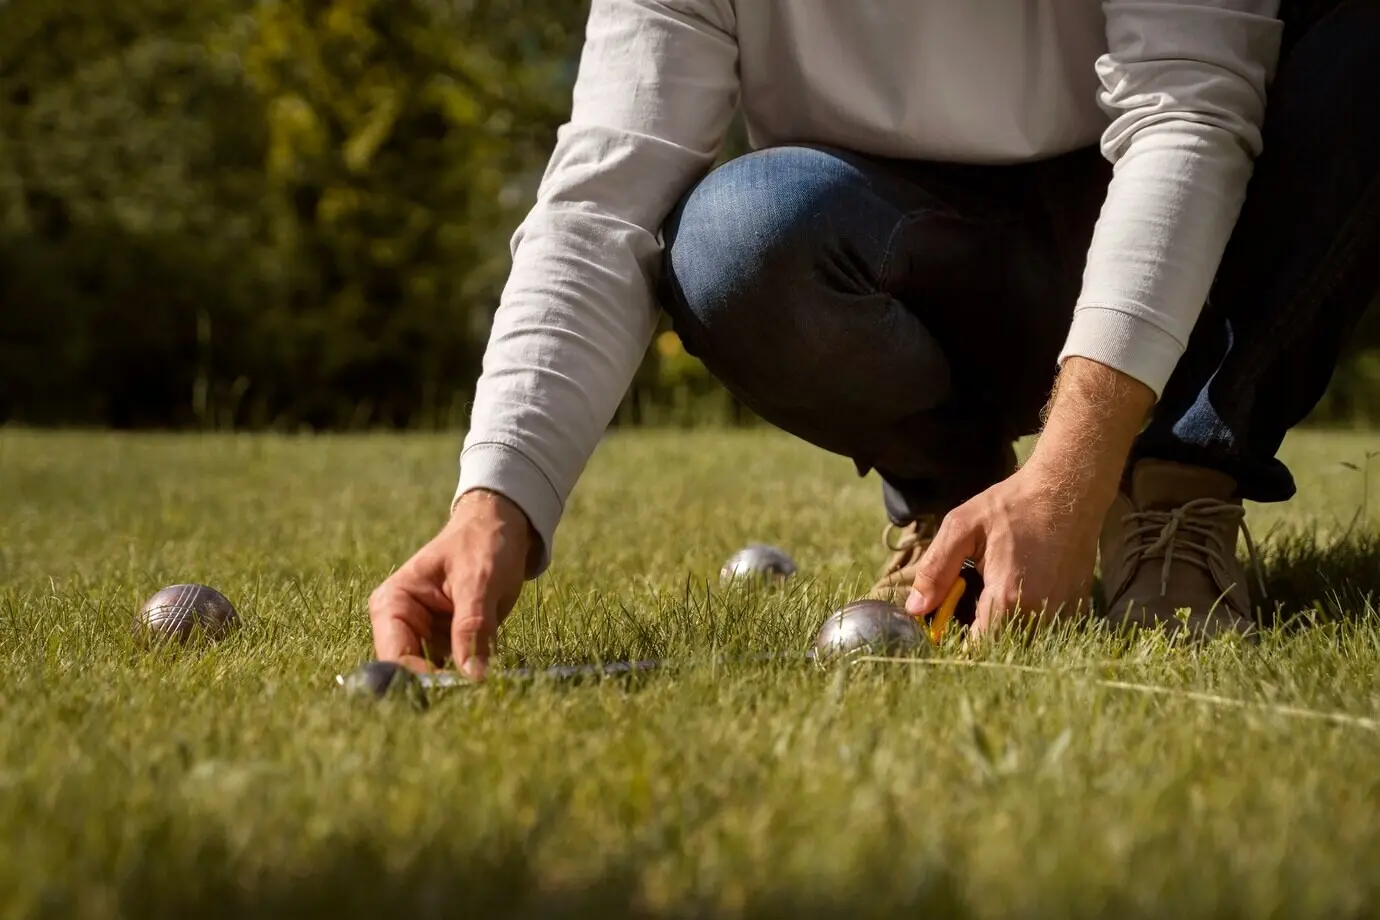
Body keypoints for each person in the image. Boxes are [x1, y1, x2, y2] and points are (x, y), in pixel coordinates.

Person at [369, 0, 1380, 678]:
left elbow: (1191, 108)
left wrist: (1075, 469)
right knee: (736, 236)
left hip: (1186, 215)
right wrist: (496, 498)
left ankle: (1173, 482)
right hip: (923, 240)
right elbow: (606, 199)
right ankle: (953, 510)